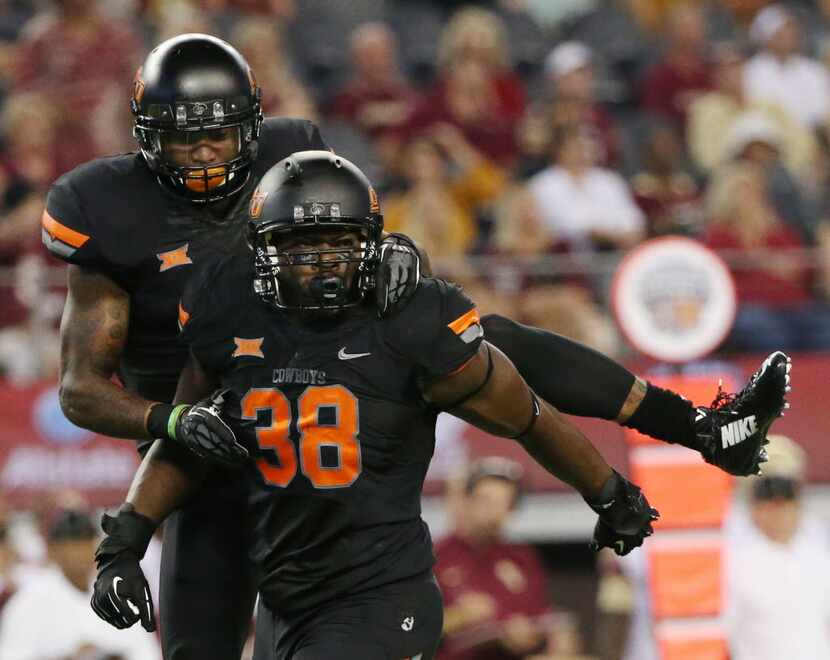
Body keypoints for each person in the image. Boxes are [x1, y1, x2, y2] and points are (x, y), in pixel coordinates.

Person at [45, 31, 789, 660]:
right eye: (184, 137)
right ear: (144, 136)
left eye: (219, 133)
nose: (205, 155)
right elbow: (80, 388)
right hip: (205, 439)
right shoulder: (101, 207)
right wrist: (166, 434)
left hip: (321, 395)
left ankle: (700, 426)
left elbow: (336, 218)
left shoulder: (293, 149)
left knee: (477, 340)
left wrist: (391, 245)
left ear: (254, 125)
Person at [89, 150, 660, 660]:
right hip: (283, 603)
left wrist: (609, 492)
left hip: (379, 600)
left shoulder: (409, 324)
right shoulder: (229, 318)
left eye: (340, 242)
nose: (323, 260)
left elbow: (528, 416)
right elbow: (186, 442)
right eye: (302, 243)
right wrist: (125, 543)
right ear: (264, 250)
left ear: (372, 245)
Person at [435, 457, 575, 660]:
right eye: (486, 500)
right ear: (466, 501)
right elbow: (403, 626)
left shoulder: (522, 557)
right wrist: (459, 617)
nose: (494, 511)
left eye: (505, 502)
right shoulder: (434, 556)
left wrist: (545, 635)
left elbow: (543, 616)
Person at [0, 508, 161, 660]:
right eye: (69, 546)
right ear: (52, 550)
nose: (77, 554)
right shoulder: (28, 601)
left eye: (83, 543)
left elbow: (148, 654)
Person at [725, 435, 830, 660]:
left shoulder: (818, 551)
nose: (778, 507)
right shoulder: (733, 561)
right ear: (752, 503)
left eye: (787, 494)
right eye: (767, 494)